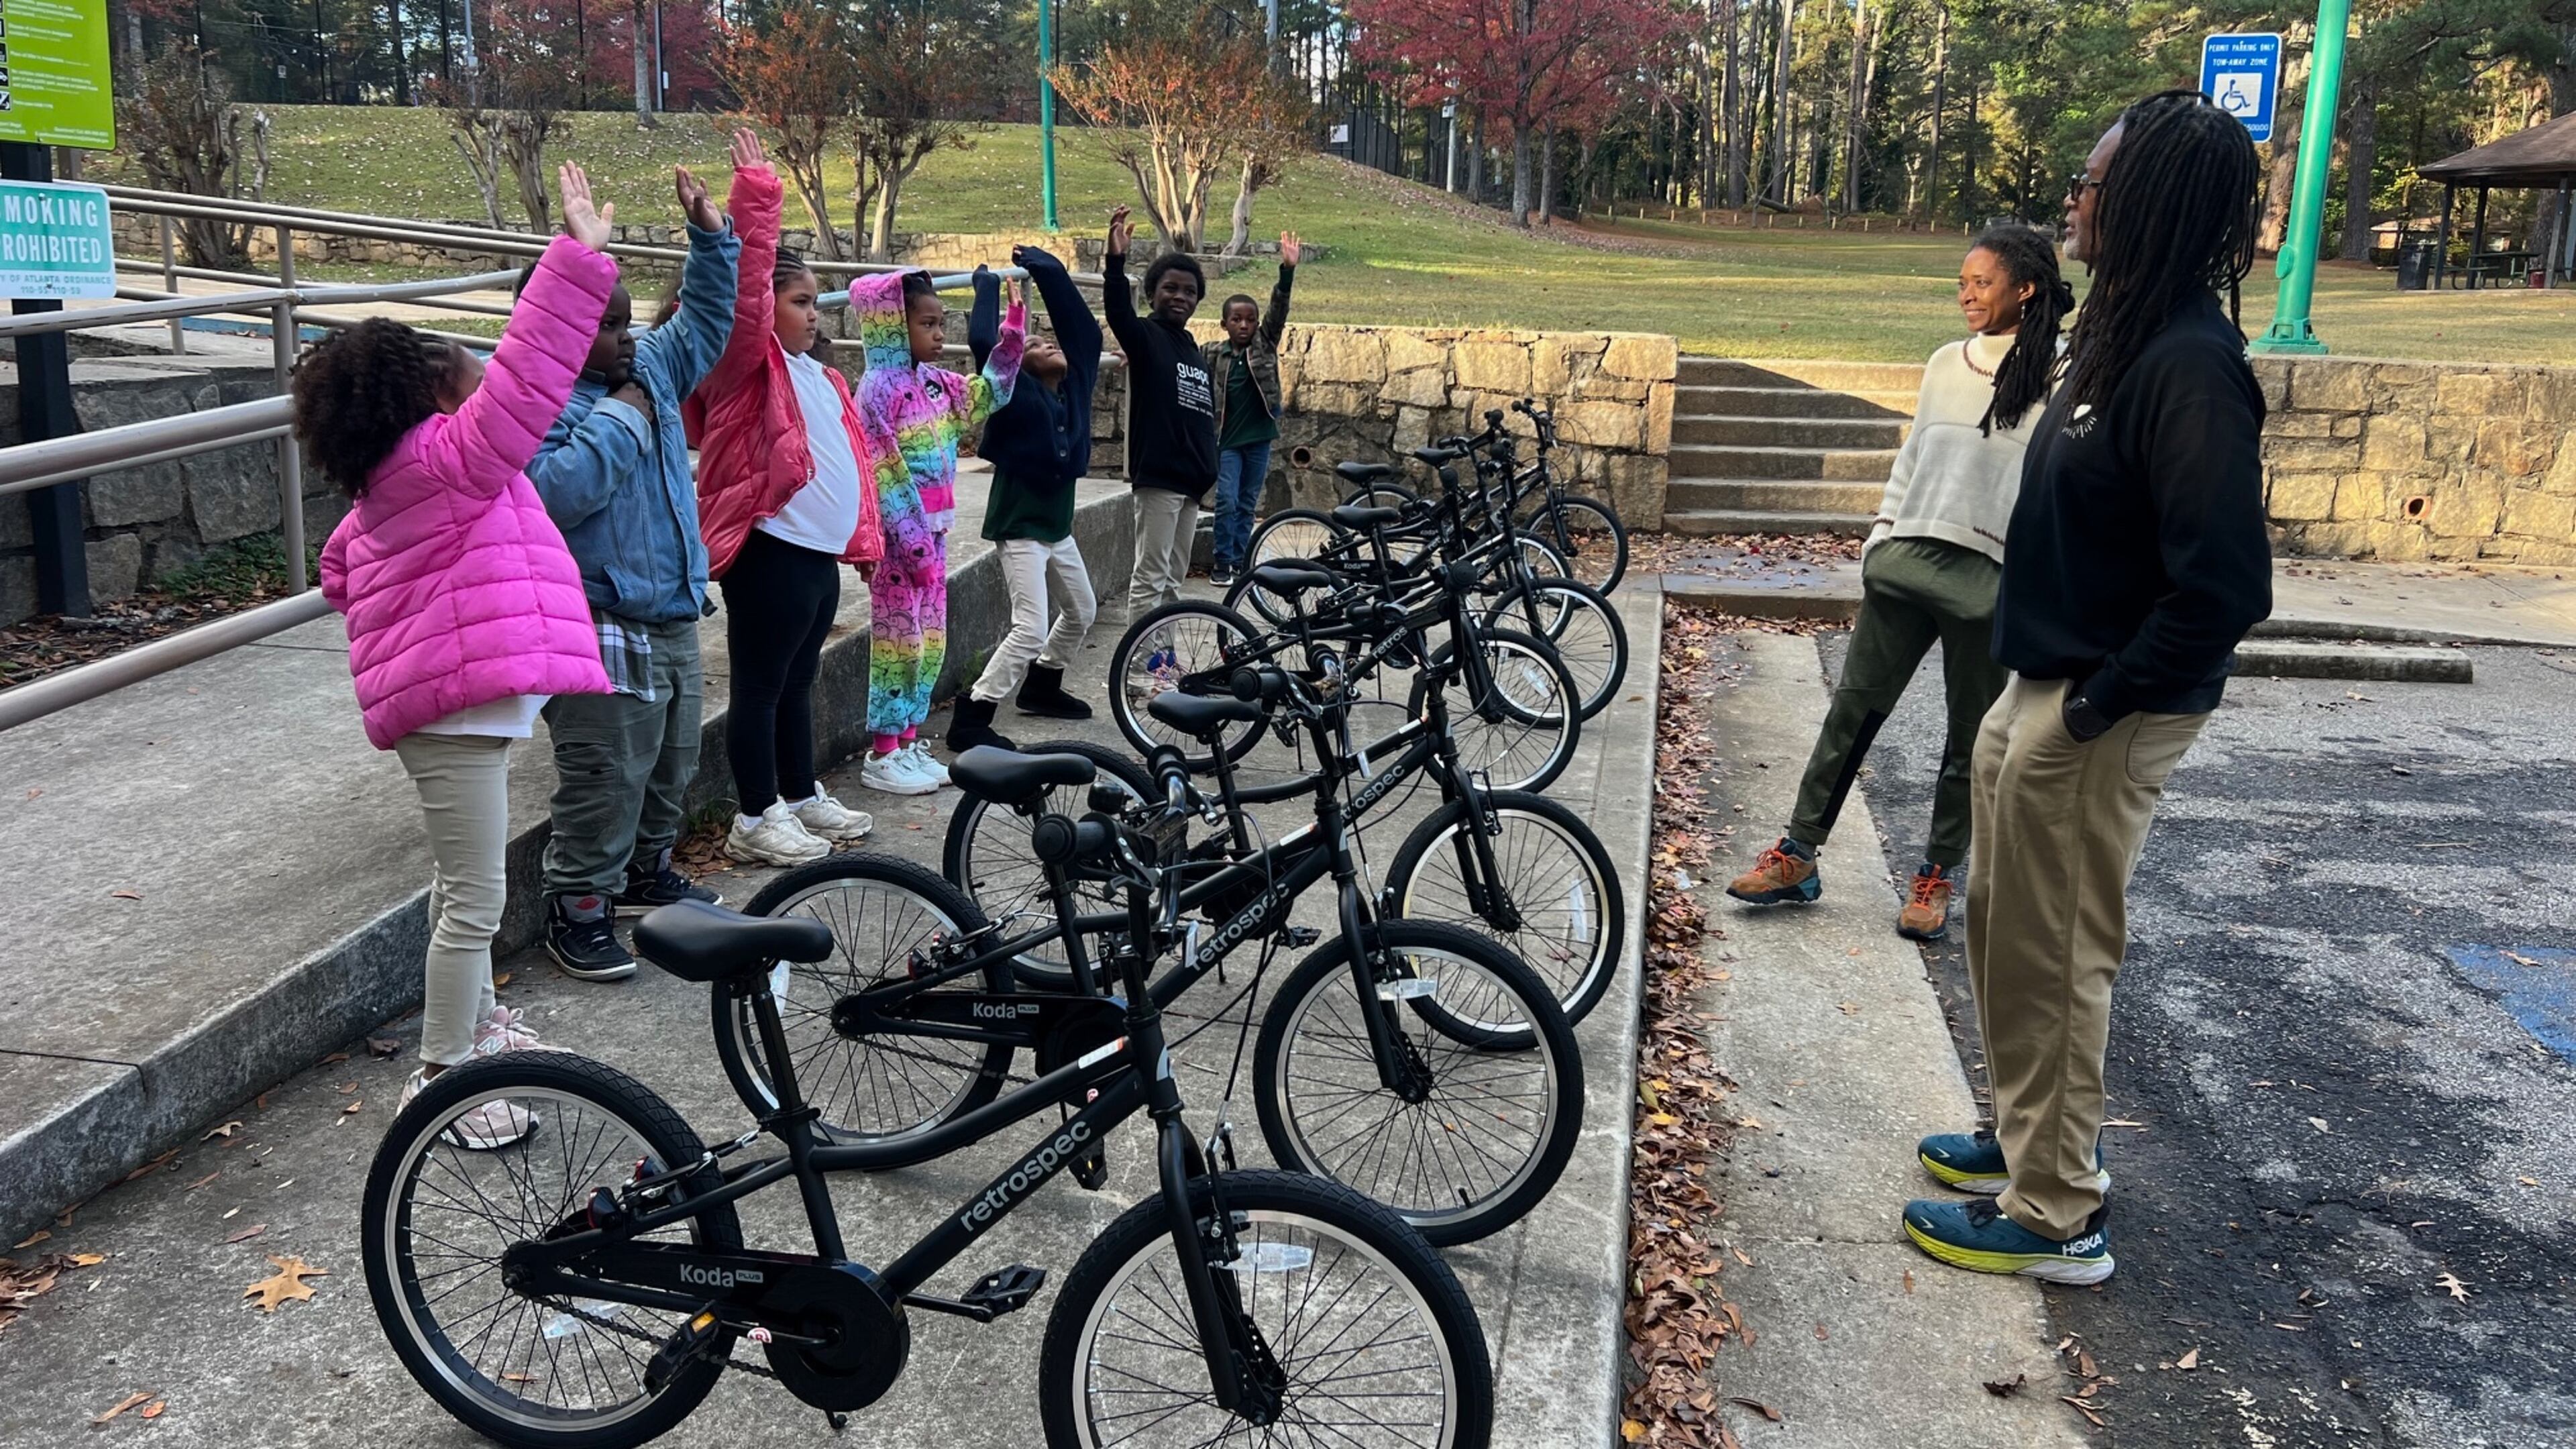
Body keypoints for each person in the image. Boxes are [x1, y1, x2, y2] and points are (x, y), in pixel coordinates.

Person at [1904, 90, 2271, 1285]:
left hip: (2105, 702)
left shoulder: (2192, 366)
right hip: (2046, 676)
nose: (2075, 199)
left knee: (2060, 953)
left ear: (2150, 202)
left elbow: (2223, 586)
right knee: (2007, 931)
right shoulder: (2116, 332)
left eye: (2094, 184)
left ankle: (2058, 1210)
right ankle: (2026, 1139)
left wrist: (2098, 707)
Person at [303, 164, 621, 1146]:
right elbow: (529, 375)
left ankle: (475, 1036)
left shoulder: (391, 488)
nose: (471, 366)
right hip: (454, 718)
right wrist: (578, 261)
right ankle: (443, 1083)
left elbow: (339, 574)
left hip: (453, 714)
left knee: (461, 887)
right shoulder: (447, 462)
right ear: (423, 397)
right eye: (453, 362)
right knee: (476, 898)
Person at [1725, 225, 2072, 941]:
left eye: (1982, 282)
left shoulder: (2066, 376)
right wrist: (1880, 537)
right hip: (1908, 563)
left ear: (2026, 288)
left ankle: (1938, 873)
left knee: (1969, 737)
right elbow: (1913, 456)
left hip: (1991, 582)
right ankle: (1798, 854)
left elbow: (2059, 487)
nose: (1967, 295)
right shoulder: (1947, 362)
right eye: (1961, 283)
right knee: (1852, 712)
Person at [523, 159, 741, 981]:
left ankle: (646, 871)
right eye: (604, 325)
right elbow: (555, 494)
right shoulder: (539, 403)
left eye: (623, 321)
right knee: (606, 774)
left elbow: (708, 322)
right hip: (595, 621)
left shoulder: (647, 367)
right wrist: (623, 416)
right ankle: (577, 903)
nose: (624, 338)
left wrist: (711, 238)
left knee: (670, 763)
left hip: (671, 611)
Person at [686, 130, 882, 865]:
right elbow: (743, 292)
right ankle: (754, 813)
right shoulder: (748, 368)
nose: (814, 315)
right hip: (768, 552)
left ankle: (799, 795)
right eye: (800, 302)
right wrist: (756, 201)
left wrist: (863, 541)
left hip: (816, 558)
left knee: (802, 679)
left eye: (815, 303)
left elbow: (850, 464)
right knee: (762, 685)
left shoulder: (820, 377)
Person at [849, 266, 1025, 795]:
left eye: (940, 323)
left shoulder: (935, 383)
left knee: (927, 643)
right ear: (890, 327)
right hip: (902, 546)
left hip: (936, 538)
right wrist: (912, 542)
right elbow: (882, 471)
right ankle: (882, 752)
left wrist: (1012, 336)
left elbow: (987, 395)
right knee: (897, 643)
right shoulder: (879, 392)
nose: (939, 335)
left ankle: (906, 740)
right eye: (927, 324)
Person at [946, 245, 1105, 753]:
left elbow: (1085, 334)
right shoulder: (1011, 392)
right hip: (1021, 529)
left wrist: (1049, 269)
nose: (1050, 344)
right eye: (1035, 343)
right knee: (1030, 627)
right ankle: (973, 716)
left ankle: (1042, 687)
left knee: (1082, 609)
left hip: (1056, 528)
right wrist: (988, 286)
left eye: (1049, 341)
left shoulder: (1075, 388)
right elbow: (983, 343)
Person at [1103, 205, 1218, 619]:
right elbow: (1118, 312)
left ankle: (1161, 666)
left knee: (1173, 581)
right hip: (1160, 477)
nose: (1180, 297)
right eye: (1170, 288)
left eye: (1189, 292)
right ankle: (1139, 673)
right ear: (1153, 294)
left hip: (1192, 480)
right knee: (1151, 577)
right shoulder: (1147, 336)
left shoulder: (1191, 348)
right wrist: (1115, 262)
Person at [1202, 232, 1298, 587]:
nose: (1244, 325)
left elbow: (1279, 309)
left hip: (1260, 437)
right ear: (1224, 323)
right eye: (1236, 320)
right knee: (1226, 501)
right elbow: (1177, 357)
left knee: (1246, 503)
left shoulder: (1264, 344)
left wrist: (1287, 270)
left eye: (1250, 320)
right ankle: (1222, 560)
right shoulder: (1213, 353)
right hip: (1227, 440)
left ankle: (1240, 560)